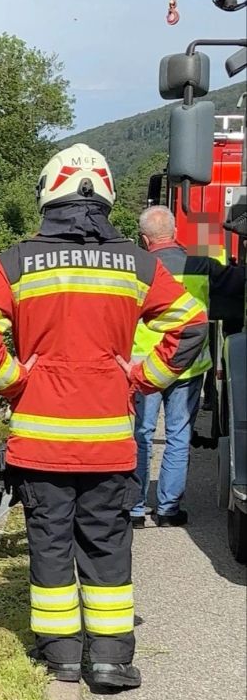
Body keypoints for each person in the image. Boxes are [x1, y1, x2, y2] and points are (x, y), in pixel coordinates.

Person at [0, 144, 208, 691]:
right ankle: (112, 659)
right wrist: (143, 378)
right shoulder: (138, 263)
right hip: (110, 444)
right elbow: (191, 326)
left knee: (49, 544)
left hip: (41, 444)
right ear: (107, 196)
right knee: (107, 544)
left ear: (49, 194)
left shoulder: (16, 261)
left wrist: (16, 382)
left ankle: (63, 656)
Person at [131, 204, 246, 527]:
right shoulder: (202, 265)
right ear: (175, 233)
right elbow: (239, 284)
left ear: (144, 238)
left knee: (140, 435)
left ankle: (135, 510)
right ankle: (168, 510)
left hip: (145, 368)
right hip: (188, 365)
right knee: (179, 436)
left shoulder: (135, 269)